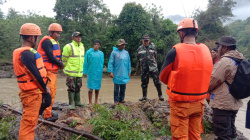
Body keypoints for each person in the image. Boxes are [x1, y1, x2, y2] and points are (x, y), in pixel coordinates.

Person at [159, 18, 213, 140]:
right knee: (195, 135)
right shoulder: (206, 52)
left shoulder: (174, 52)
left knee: (180, 136)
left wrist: (176, 82)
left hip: (180, 105)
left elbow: (162, 76)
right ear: (196, 33)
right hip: (199, 104)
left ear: (181, 34)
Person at [13, 23, 50, 139]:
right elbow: (36, 75)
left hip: (31, 93)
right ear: (32, 37)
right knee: (29, 123)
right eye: (37, 37)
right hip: (31, 94)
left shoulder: (23, 51)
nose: (38, 40)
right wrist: (45, 89)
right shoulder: (27, 54)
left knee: (30, 122)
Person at [208, 36, 245, 140]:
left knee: (223, 133)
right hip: (234, 102)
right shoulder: (240, 59)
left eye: (219, 46)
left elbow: (212, 80)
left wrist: (205, 90)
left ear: (224, 47)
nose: (218, 49)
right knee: (231, 131)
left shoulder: (226, 61)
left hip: (223, 104)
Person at [37, 23, 64, 121]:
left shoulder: (54, 42)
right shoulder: (47, 41)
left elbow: (56, 56)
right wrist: (60, 64)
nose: (58, 35)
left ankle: (47, 111)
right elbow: (50, 56)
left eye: (59, 33)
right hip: (47, 71)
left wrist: (59, 63)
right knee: (49, 93)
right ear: (51, 32)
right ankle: (47, 115)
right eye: (57, 33)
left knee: (53, 92)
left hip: (53, 72)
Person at [62, 31, 85, 109]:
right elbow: (64, 59)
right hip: (71, 71)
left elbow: (82, 59)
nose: (79, 38)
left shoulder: (82, 46)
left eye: (80, 37)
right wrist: (65, 69)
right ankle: (71, 103)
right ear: (73, 38)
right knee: (71, 87)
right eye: (77, 37)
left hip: (79, 72)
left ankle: (78, 102)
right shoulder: (68, 46)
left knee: (78, 86)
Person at [137, 35, 164, 101]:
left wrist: (153, 64)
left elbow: (155, 56)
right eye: (144, 41)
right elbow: (138, 58)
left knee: (157, 81)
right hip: (144, 68)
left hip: (153, 67)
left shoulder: (153, 47)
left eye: (147, 41)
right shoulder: (139, 49)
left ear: (149, 40)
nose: (146, 42)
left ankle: (160, 95)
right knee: (144, 82)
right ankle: (144, 96)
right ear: (142, 41)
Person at [107, 39, 131, 105]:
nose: (123, 46)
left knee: (123, 86)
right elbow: (111, 63)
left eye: (124, 45)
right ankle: (116, 100)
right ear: (119, 45)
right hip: (116, 72)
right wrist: (111, 72)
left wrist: (129, 71)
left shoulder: (126, 53)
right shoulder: (114, 52)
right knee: (116, 87)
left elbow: (128, 62)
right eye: (122, 45)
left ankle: (122, 98)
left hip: (124, 72)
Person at [83, 39, 104, 105]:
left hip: (98, 73)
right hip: (91, 72)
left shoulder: (101, 53)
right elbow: (85, 62)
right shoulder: (89, 52)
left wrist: (101, 71)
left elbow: (102, 63)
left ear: (99, 46)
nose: (96, 46)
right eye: (95, 44)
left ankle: (96, 101)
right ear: (93, 45)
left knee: (97, 87)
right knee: (90, 88)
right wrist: (85, 71)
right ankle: (90, 102)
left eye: (98, 45)